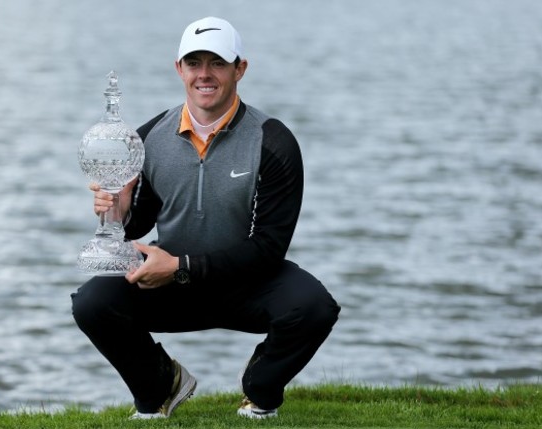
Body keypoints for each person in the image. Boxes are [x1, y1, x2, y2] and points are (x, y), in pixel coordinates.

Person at [71, 16, 340, 420]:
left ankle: (260, 390)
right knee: (92, 302)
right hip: (169, 282)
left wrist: (181, 267)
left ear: (239, 69)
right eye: (194, 63)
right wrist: (119, 209)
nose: (205, 75)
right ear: (179, 69)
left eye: (217, 62)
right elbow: (136, 225)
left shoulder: (274, 140)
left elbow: (269, 248)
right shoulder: (148, 139)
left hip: (246, 281)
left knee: (314, 307)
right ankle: (159, 388)